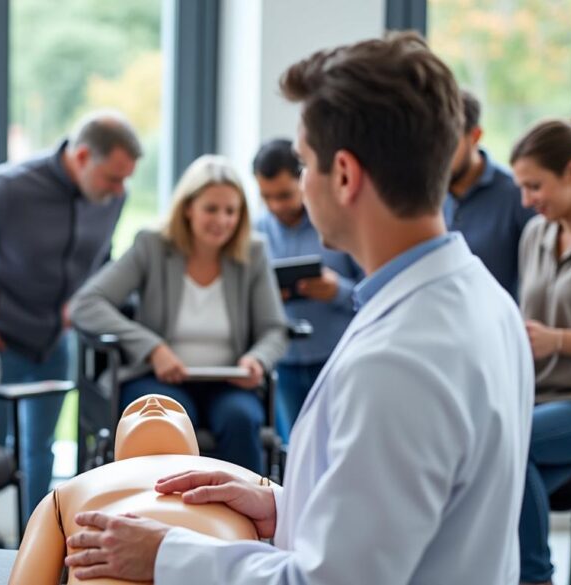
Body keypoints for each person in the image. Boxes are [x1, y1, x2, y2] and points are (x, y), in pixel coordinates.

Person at [63, 33, 533, 584]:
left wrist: (167, 556)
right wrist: (283, 508)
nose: (301, 189)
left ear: (344, 176)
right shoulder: (485, 303)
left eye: (305, 164)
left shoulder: (398, 359)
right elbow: (413, 519)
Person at [0, 111, 142, 519]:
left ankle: (33, 543)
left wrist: (83, 301)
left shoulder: (113, 197)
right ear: (81, 157)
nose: (119, 190)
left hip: (56, 342)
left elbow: (102, 258)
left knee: (41, 449)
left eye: (125, 180)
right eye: (112, 178)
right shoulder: (9, 187)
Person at [70, 154, 288, 472]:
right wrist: (152, 348)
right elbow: (86, 304)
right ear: (188, 208)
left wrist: (257, 359)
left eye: (231, 211)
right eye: (211, 209)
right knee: (167, 423)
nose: (222, 220)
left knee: (241, 419)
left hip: (228, 383)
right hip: (156, 379)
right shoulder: (152, 246)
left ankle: (242, 520)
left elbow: (274, 329)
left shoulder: (253, 253)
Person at [9, 394, 260, 585]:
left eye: (173, 408)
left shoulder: (249, 485)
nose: (152, 404)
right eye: (133, 411)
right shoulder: (65, 493)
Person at [509, 117, 571, 585]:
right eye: (521, 187)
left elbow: (549, 333)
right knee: (486, 455)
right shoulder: (535, 234)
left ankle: (534, 578)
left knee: (510, 449)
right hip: (533, 399)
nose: (526, 200)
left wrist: (556, 340)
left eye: (535, 185)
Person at [252, 139, 360, 443]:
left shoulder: (338, 225)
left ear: (305, 179)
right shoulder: (255, 231)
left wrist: (336, 289)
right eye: (266, 197)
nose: (276, 206)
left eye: (284, 195)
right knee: (293, 446)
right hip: (283, 363)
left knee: (337, 444)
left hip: (337, 357)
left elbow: (374, 294)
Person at [444, 89, 535, 299]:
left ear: (475, 136)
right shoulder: (426, 194)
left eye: (448, 143)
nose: (437, 155)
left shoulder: (519, 195)